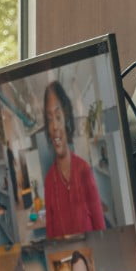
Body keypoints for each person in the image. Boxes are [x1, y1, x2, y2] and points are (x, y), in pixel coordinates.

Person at [41, 80, 108, 239]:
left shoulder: (83, 169)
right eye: (49, 119)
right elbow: (51, 237)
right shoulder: (50, 181)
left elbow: (100, 227)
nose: (55, 126)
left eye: (58, 116)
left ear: (67, 120)